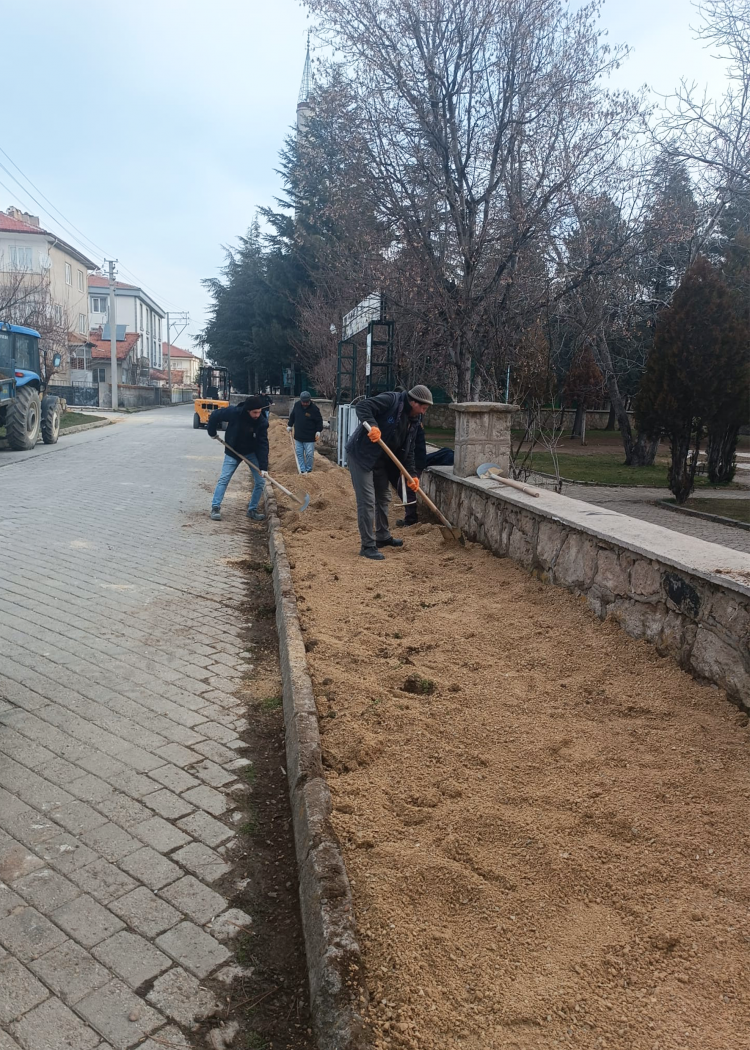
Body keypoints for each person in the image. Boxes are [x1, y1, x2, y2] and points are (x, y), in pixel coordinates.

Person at [345, 384, 433, 560]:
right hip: (361, 456)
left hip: (380, 461)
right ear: (414, 402)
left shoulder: (414, 421)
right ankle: (367, 546)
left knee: (383, 497)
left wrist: (412, 475)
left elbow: (409, 451)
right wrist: (372, 426)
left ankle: (382, 536)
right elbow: (363, 406)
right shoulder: (391, 400)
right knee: (367, 501)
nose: (424, 412)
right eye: (423, 408)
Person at [207, 395, 269, 522]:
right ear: (248, 410)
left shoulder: (262, 422)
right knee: (224, 479)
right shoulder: (234, 413)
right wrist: (212, 432)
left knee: (260, 481)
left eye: (259, 412)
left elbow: (263, 444)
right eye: (255, 412)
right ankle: (215, 507)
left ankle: (252, 510)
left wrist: (263, 467)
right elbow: (214, 415)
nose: (257, 415)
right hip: (233, 451)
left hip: (251, 452)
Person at [397, 427, 455, 527]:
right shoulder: (406, 423)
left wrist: (408, 464)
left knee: (408, 488)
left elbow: (411, 447)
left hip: (416, 461)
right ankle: (410, 517)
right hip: (410, 460)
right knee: (400, 488)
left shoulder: (414, 426)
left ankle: (411, 520)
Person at [287, 391, 323, 474]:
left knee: (309, 454)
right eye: (304, 402)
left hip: (309, 437)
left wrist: (318, 430)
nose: (305, 403)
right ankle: (302, 470)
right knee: (299, 453)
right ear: (301, 400)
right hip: (298, 436)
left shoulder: (314, 409)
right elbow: (292, 416)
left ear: (309, 400)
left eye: (307, 402)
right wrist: (290, 425)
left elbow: (319, 421)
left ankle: (308, 470)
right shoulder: (297, 405)